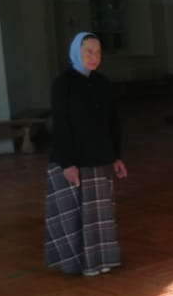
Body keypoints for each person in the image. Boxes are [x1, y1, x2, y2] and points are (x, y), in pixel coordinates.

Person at [44, 32, 127, 276]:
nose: (94, 57)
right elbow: (61, 125)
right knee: (75, 216)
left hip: (99, 159)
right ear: (76, 53)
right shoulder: (63, 84)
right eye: (88, 52)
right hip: (73, 160)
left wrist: (116, 156)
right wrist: (67, 163)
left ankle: (101, 261)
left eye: (98, 52)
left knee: (99, 216)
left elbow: (112, 123)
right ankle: (78, 263)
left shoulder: (103, 83)